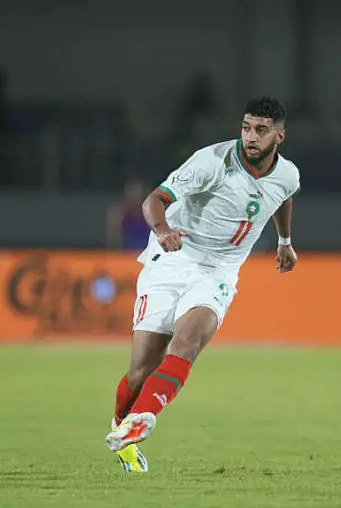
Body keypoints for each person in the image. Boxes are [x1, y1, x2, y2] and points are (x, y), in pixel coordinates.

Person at [105, 96, 300, 472]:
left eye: (261, 130)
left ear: (279, 136)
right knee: (141, 373)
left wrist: (285, 241)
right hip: (173, 258)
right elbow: (154, 199)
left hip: (219, 271)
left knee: (189, 342)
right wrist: (162, 231)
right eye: (246, 127)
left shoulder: (288, 174)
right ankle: (123, 429)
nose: (250, 137)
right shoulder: (212, 162)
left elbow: (283, 198)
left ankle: (142, 420)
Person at [106, 179, 152, 251]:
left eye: (138, 192)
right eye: (132, 193)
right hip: (127, 254)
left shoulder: (151, 211)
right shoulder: (120, 212)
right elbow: (113, 237)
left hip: (147, 253)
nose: (135, 196)